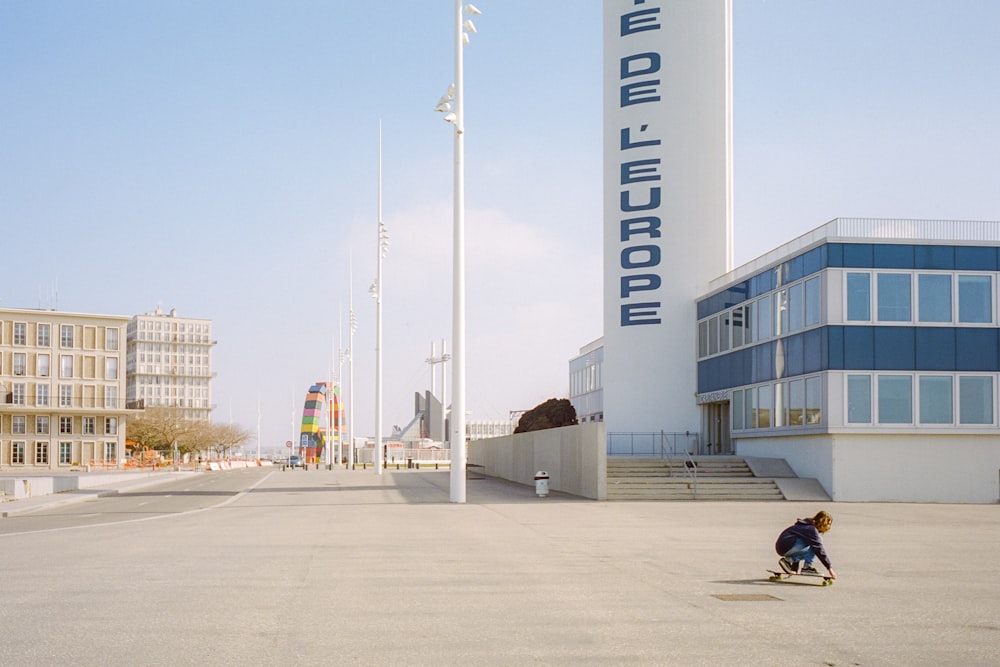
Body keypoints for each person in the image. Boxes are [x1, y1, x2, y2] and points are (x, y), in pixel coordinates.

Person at [774, 510, 837, 579]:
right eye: (829, 524)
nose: (829, 527)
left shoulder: (806, 526)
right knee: (816, 544)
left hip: (782, 547)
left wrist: (794, 569)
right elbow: (819, 549)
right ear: (823, 522)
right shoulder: (811, 529)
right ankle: (806, 568)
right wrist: (829, 568)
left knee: (812, 545)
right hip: (786, 545)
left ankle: (788, 561)